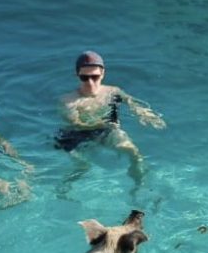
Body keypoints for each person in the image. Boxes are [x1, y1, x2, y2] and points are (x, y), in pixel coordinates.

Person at [56, 51, 166, 184]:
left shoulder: (112, 91)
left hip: (104, 130)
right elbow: (76, 123)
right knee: (83, 165)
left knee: (134, 152)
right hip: (74, 136)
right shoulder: (68, 100)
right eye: (84, 77)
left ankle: (138, 186)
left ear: (102, 74)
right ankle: (64, 189)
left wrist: (142, 112)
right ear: (77, 75)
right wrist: (103, 124)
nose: (90, 83)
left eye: (95, 77)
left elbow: (130, 101)